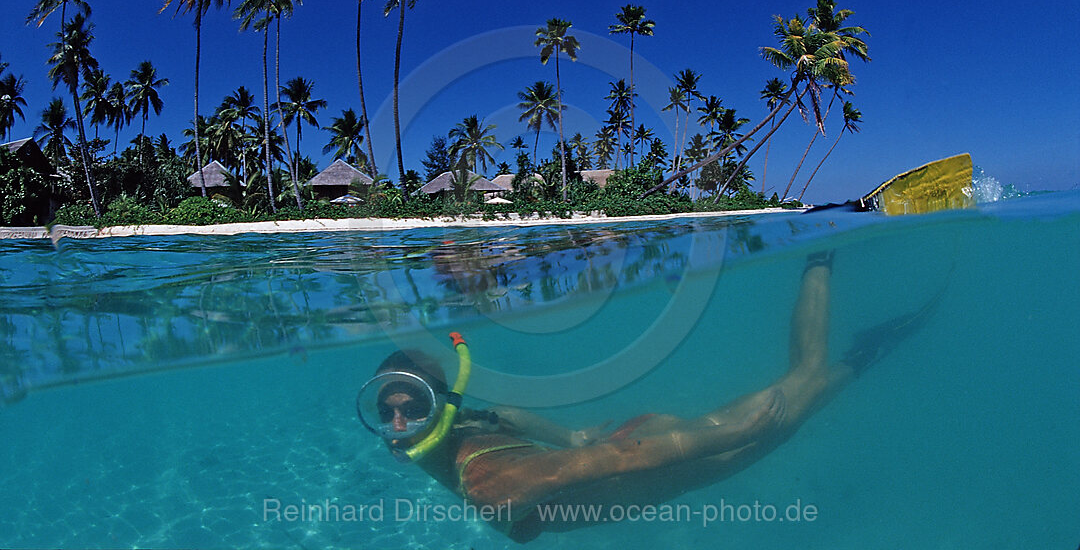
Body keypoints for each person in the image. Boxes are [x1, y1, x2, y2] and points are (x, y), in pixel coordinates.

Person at [356, 251, 937, 543]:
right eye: (388, 412)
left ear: (441, 405)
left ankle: (821, 255)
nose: (401, 421)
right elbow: (504, 416)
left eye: (413, 406)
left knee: (802, 383)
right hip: (648, 443)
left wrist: (736, 435)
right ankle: (866, 353)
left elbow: (619, 460)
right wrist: (569, 437)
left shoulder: (487, 486)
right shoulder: (458, 432)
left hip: (670, 455)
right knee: (801, 398)